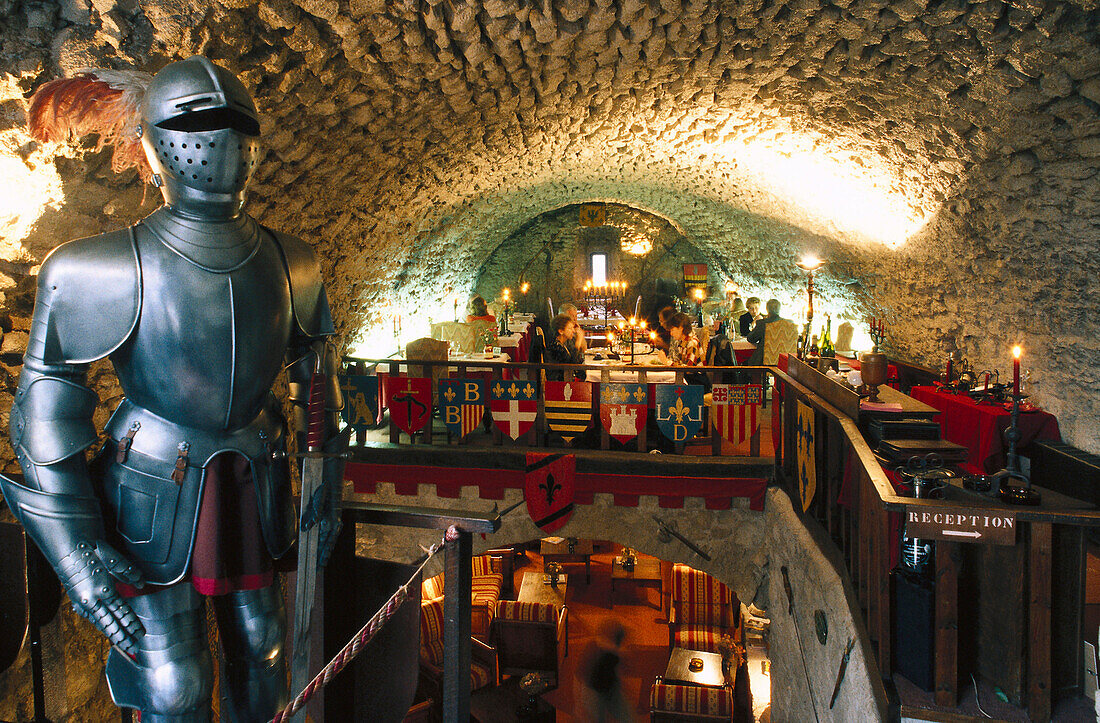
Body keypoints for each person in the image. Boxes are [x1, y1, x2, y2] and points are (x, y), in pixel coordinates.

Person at [2, 57, 346, 720]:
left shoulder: (292, 259)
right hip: (150, 482)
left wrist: (325, 477)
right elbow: (43, 406)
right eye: (198, 126)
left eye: (235, 125)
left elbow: (320, 375)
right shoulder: (96, 265)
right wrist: (77, 557)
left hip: (256, 476)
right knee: (175, 681)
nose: (218, 144)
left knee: (265, 647)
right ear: (156, 142)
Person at [579, 620, 634, 722]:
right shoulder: (613, 654)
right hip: (595, 690)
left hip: (597, 688)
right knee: (625, 717)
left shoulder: (596, 646)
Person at [744, 298, 785, 366]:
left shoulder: (762, 324)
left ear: (767, 309)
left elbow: (751, 338)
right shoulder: (790, 324)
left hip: (763, 363)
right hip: (783, 363)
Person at [544, 313, 584, 381]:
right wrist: (579, 341)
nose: (573, 331)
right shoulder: (555, 346)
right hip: (559, 383)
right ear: (561, 331)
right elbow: (573, 364)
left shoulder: (561, 344)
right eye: (570, 328)